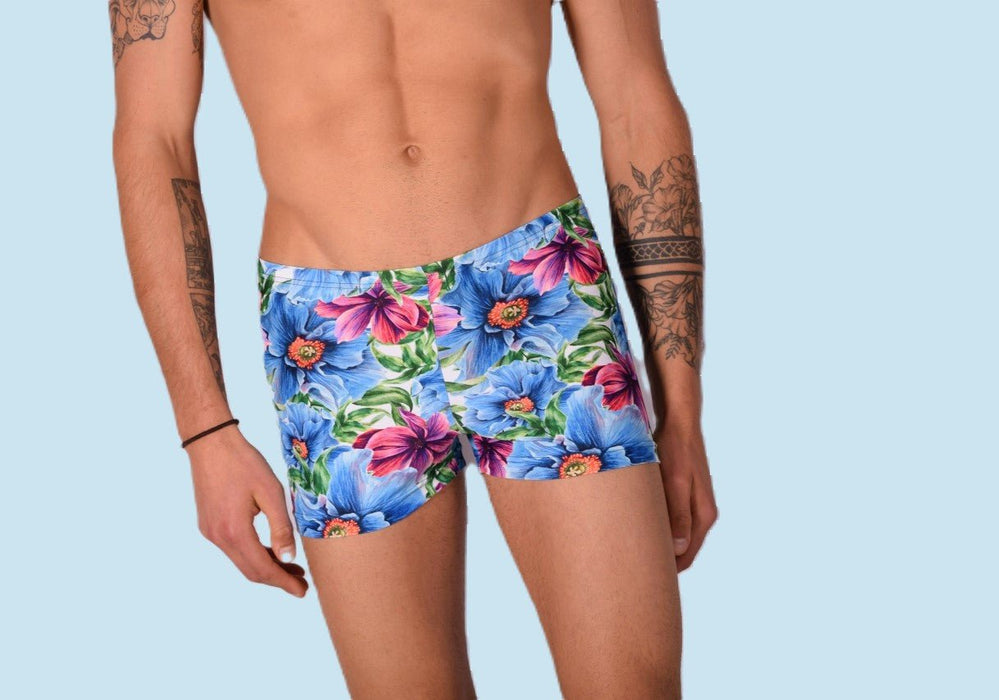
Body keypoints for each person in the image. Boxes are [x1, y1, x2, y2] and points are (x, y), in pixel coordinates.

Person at [110, 0, 717, 697]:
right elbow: (153, 137)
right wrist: (205, 431)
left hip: (538, 286)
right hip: (330, 333)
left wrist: (683, 412)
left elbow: (635, 100)